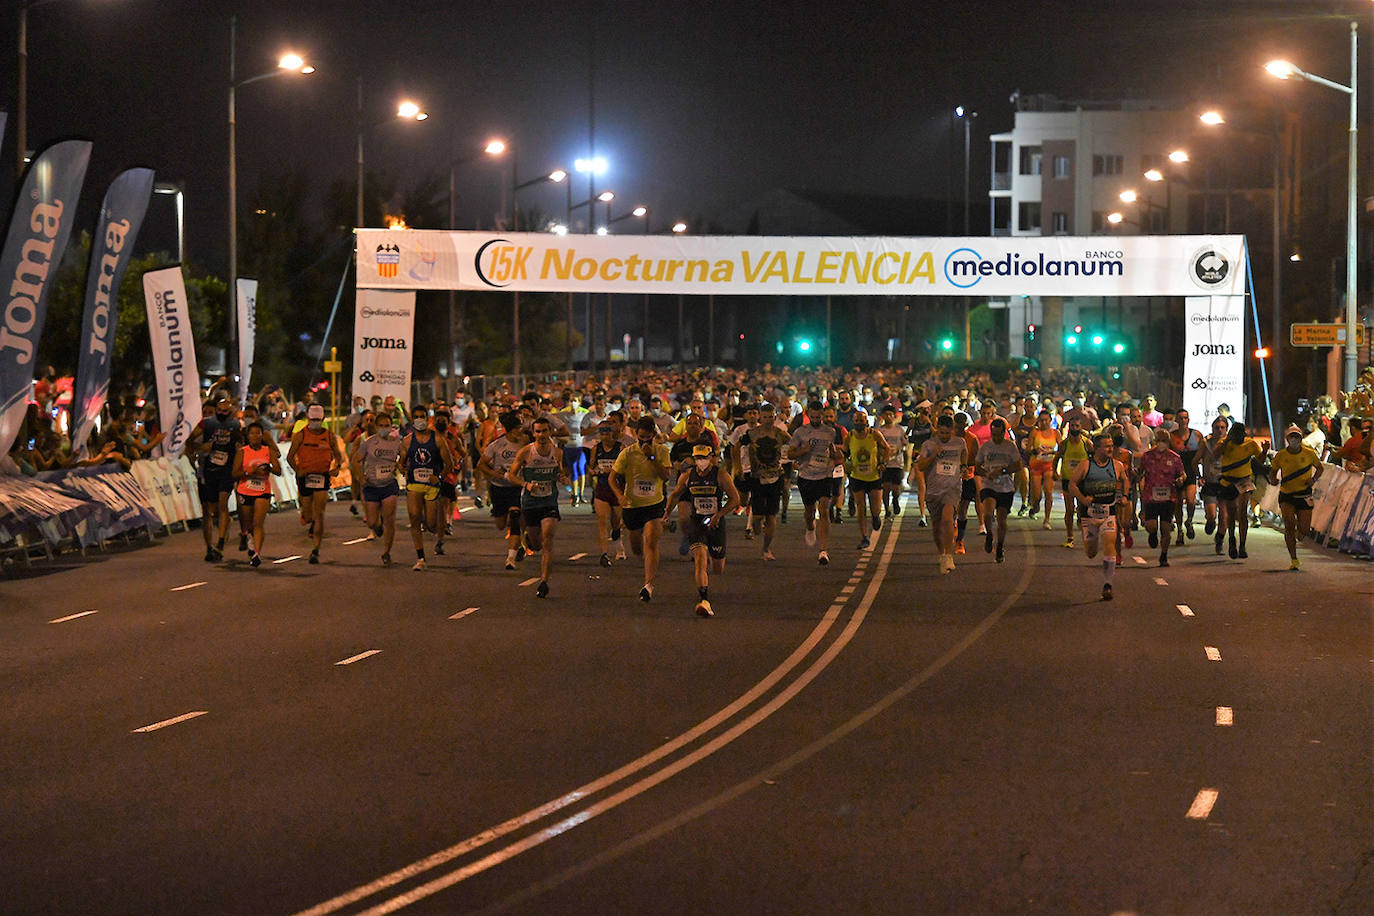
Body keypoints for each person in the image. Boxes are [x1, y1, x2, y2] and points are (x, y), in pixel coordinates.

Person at [664, 443, 742, 617]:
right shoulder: (687, 476)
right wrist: (666, 513)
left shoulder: (721, 475)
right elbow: (675, 494)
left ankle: (715, 559)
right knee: (700, 558)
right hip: (697, 521)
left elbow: (735, 499)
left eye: (704, 458)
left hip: (716, 522)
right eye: (698, 458)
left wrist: (719, 514)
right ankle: (704, 599)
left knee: (718, 567)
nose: (701, 461)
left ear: (712, 458)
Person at [611, 417, 674, 601]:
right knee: (637, 547)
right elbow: (612, 478)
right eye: (641, 437)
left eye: (648, 438)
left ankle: (648, 585)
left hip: (654, 504)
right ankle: (644, 560)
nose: (644, 441)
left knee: (652, 541)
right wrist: (620, 496)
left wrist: (651, 457)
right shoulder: (628, 453)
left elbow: (666, 476)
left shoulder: (661, 451)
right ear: (636, 435)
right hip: (632, 505)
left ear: (653, 435)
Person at [509, 417, 569, 598]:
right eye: (538, 431)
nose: (541, 435)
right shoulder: (526, 452)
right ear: (533, 433)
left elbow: (561, 473)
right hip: (530, 503)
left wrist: (563, 479)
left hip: (549, 503)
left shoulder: (557, 453)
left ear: (550, 432)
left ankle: (544, 581)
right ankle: (527, 540)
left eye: (545, 431)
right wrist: (525, 485)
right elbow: (511, 475)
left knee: (548, 538)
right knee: (536, 544)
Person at [1069, 432, 1127, 601]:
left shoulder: (1117, 465)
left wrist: (1124, 496)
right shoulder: (1085, 465)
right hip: (1089, 513)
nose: (1111, 449)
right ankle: (1090, 538)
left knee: (1110, 544)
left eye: (1111, 445)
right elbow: (1072, 484)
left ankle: (1108, 584)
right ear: (1097, 448)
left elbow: (1124, 480)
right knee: (1091, 552)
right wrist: (1082, 499)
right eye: (1107, 446)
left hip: (1109, 511)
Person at [286, 404, 345, 565]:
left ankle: (316, 549)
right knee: (308, 514)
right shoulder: (300, 435)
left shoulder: (329, 435)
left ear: (323, 420)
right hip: (306, 477)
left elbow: (339, 456)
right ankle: (306, 518)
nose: (315, 423)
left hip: (322, 477)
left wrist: (336, 468)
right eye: (313, 420)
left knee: (320, 513)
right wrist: (298, 470)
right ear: (308, 419)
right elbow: (290, 456)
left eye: (318, 420)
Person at [186, 396, 242, 562]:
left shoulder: (235, 426)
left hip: (226, 471)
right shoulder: (203, 425)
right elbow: (188, 445)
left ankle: (220, 543)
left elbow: (241, 446)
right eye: (208, 412)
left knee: (223, 503)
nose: (211, 415)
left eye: (225, 411)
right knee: (208, 511)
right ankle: (209, 547)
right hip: (206, 472)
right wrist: (201, 448)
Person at [789, 400, 841, 566]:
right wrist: (802, 451)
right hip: (806, 476)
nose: (816, 419)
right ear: (808, 414)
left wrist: (834, 454)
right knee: (809, 512)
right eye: (813, 416)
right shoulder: (800, 432)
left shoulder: (831, 432)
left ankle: (823, 550)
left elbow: (836, 452)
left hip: (825, 475)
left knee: (824, 510)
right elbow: (790, 454)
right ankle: (810, 527)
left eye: (819, 417)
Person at [477, 411, 531, 570]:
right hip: (499, 488)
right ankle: (515, 537)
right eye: (516, 429)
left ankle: (511, 558)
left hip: (516, 487)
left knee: (515, 517)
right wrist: (495, 473)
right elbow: (481, 465)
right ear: (509, 430)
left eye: (520, 428)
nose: (519, 431)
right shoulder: (497, 445)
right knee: (501, 524)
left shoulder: (525, 442)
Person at [915, 414, 966, 574]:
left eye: (947, 433)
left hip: (952, 488)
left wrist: (963, 466)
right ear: (937, 430)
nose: (944, 436)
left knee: (947, 519)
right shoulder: (929, 444)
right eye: (941, 433)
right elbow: (921, 466)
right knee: (937, 526)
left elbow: (964, 453)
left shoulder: (959, 442)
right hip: (934, 490)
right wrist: (933, 455)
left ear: (952, 431)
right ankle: (942, 553)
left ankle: (948, 555)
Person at [351, 411, 403, 566]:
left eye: (387, 426)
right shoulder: (368, 442)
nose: (384, 429)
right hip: (372, 486)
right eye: (381, 426)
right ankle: (377, 526)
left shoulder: (396, 442)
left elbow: (404, 457)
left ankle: (387, 552)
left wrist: (402, 466)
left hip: (389, 485)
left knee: (390, 519)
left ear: (391, 426)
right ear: (376, 426)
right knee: (372, 523)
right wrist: (361, 476)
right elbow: (356, 460)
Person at [1269, 424, 1325, 570]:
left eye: (1297, 437)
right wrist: (1273, 479)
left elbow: (1320, 468)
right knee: (1289, 524)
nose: (1294, 440)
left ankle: (1299, 534)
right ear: (1287, 439)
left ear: (1301, 439)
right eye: (1291, 437)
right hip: (1287, 495)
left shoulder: (1309, 453)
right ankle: (1294, 559)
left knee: (1304, 530)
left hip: (1304, 495)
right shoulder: (1281, 455)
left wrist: (1313, 480)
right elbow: (1273, 471)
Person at [741, 402, 788, 560]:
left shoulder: (780, 433)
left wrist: (796, 457)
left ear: (775, 417)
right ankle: (756, 528)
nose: (768, 420)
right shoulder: (752, 433)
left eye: (771, 417)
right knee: (757, 517)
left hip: (776, 476)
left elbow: (794, 443)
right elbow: (734, 446)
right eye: (765, 417)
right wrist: (737, 466)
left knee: (771, 516)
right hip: (757, 478)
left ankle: (767, 549)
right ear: (761, 417)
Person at [232, 420, 280, 567]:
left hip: (262, 490)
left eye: (258, 433)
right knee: (248, 523)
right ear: (248, 436)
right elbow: (235, 473)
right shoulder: (242, 452)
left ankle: (257, 553)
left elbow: (278, 471)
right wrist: (250, 471)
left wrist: (269, 468)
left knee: (258, 522)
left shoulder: (268, 451)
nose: (255, 436)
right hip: (245, 490)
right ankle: (249, 538)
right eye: (252, 433)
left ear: (262, 435)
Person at [975, 418, 1022, 563]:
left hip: (1006, 487)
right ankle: (989, 534)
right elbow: (977, 466)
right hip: (989, 485)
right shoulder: (986, 447)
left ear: (1004, 433)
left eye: (999, 435)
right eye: (993, 435)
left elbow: (1018, 466)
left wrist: (1002, 470)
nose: (996, 438)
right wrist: (986, 473)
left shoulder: (1010, 447)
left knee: (1002, 519)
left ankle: (1000, 546)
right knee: (988, 514)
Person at [1138, 428, 1185, 567]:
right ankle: (1152, 534)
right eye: (1159, 441)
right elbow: (1140, 471)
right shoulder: (1147, 456)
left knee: (1166, 528)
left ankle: (1164, 555)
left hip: (1168, 497)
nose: (1161, 444)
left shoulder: (1175, 458)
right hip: (1151, 497)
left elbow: (1182, 474)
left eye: (1164, 441)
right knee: (1152, 526)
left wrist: (1181, 479)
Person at [1216, 420, 1262, 560]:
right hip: (1228, 481)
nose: (1238, 439)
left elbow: (1260, 459)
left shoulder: (1250, 443)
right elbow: (1215, 454)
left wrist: (1265, 451)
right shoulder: (1225, 442)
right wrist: (1226, 441)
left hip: (1244, 481)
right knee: (1231, 512)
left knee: (1242, 512)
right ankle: (1231, 539)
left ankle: (1242, 545)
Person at [844, 410, 889, 550]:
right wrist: (846, 464)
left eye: (861, 421)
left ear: (866, 421)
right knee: (861, 507)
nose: (859, 423)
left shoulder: (874, 434)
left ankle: (875, 516)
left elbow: (886, 448)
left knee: (875, 507)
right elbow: (845, 453)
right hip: (857, 477)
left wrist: (883, 463)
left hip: (873, 476)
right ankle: (864, 537)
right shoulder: (850, 436)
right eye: (856, 421)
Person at [589, 421, 625, 566]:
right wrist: (593, 471)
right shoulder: (596, 449)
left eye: (607, 434)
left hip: (617, 489)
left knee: (616, 523)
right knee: (602, 521)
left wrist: (612, 471)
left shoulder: (621, 448)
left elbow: (625, 469)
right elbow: (591, 466)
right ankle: (604, 554)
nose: (604, 437)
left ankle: (617, 539)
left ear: (612, 434)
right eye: (602, 434)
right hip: (602, 488)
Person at [1170, 409, 1204, 544]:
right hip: (1176, 473)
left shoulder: (1196, 435)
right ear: (1177, 420)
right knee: (1177, 504)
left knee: (1191, 501)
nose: (1183, 421)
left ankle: (1189, 521)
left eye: (1185, 418)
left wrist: (1201, 474)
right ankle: (1180, 530)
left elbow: (1203, 453)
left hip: (1190, 472)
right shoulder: (1172, 436)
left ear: (1188, 420)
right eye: (1180, 418)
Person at [1054, 417, 1090, 548]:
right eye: (1072, 426)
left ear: (1081, 428)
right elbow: (1056, 457)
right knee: (1069, 510)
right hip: (1068, 480)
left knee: (1082, 508)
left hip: (1082, 480)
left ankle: (1084, 528)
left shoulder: (1087, 443)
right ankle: (1070, 537)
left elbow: (1093, 458)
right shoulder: (1064, 444)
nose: (1075, 429)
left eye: (1077, 426)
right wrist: (1054, 471)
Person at [1025, 410, 1060, 530]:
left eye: (1046, 420)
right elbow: (1028, 448)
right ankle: (1035, 506)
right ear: (1038, 421)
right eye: (1042, 420)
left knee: (1048, 492)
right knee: (1036, 494)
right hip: (1036, 465)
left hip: (1049, 464)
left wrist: (1052, 452)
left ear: (1050, 421)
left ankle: (1047, 519)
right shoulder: (1035, 432)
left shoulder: (1055, 433)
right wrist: (1034, 451)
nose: (1044, 423)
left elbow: (1062, 448)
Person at [876, 404, 909, 520]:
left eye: (891, 414)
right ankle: (887, 510)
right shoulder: (880, 431)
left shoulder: (900, 430)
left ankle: (895, 500)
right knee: (885, 488)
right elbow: (876, 446)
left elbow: (906, 446)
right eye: (886, 414)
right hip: (885, 463)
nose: (888, 417)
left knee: (896, 488)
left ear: (894, 416)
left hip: (897, 463)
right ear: (883, 416)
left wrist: (899, 451)